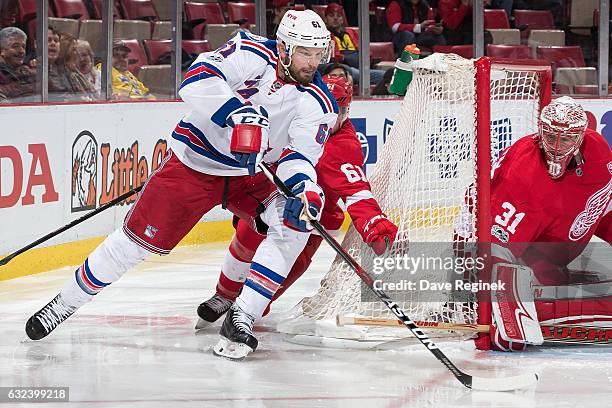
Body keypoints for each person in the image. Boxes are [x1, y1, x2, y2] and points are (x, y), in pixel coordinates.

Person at [25, 10, 338, 362]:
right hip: (195, 165)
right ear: (283, 47)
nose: (312, 62)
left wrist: (306, 189)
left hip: (253, 174)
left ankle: (242, 316)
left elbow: (298, 156)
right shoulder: (251, 52)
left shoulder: (319, 101)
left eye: (317, 54)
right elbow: (196, 78)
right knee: (133, 246)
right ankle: (63, 304)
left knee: (295, 221)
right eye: (304, 53)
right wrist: (237, 112)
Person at [195, 74, 399, 328]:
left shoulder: (342, 146)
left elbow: (356, 191)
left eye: (338, 111)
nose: (329, 117)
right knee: (246, 239)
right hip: (270, 201)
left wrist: (374, 225)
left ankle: (244, 312)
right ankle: (224, 295)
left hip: (311, 220)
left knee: (275, 279)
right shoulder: (293, 120)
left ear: (346, 113)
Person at [454, 97, 612, 351]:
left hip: (551, 249)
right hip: (482, 244)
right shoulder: (522, 174)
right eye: (551, 137)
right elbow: (493, 247)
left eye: (567, 139)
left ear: (581, 137)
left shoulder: (598, 150)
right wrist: (502, 309)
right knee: (527, 299)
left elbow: (601, 206)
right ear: (540, 132)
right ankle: (469, 301)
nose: (558, 147)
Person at [322, 2, 385, 85]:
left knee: (385, 75)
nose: (335, 18)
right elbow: (332, 58)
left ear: (343, 18)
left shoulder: (351, 32)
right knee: (356, 74)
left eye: (339, 16)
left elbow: (366, 52)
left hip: (361, 67)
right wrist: (346, 58)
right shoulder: (324, 34)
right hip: (342, 68)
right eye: (331, 15)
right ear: (325, 19)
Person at [0, 26, 35, 102]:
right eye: (15, 46)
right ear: (1, 50)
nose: (21, 51)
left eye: (23, 46)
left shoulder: (26, 71)